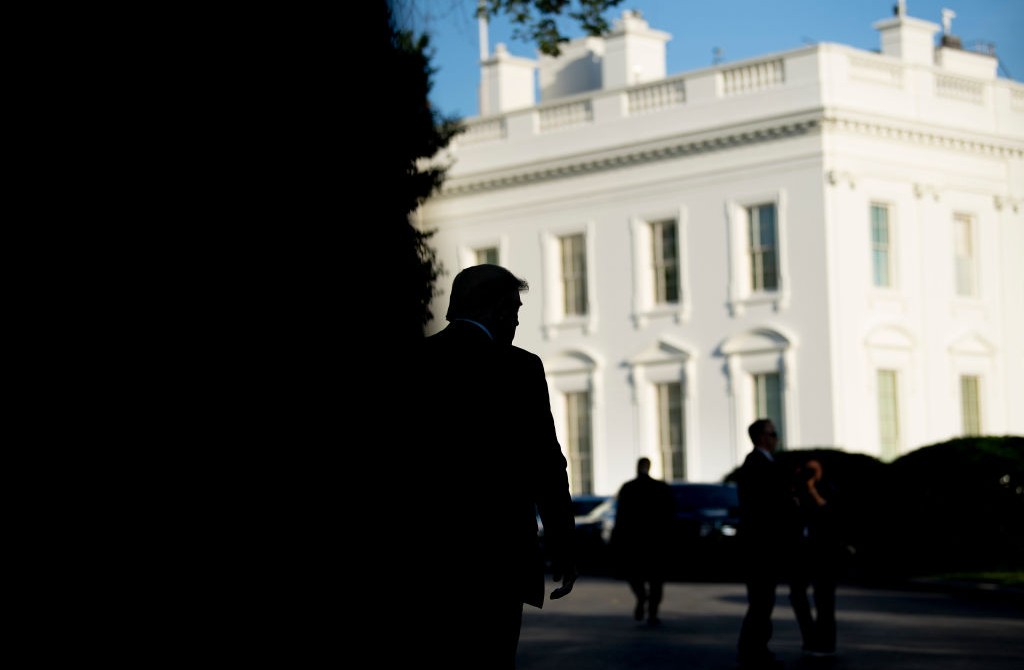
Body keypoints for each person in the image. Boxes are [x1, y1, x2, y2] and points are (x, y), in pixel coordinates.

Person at [408, 264, 578, 670]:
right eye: (515, 311)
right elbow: (546, 466)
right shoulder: (519, 368)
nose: (517, 320)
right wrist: (564, 544)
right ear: (498, 310)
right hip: (497, 556)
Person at [735, 418, 793, 670]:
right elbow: (765, 506)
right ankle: (752, 651)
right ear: (761, 437)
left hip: (763, 543)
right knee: (761, 601)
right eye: (773, 433)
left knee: (762, 601)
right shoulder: (756, 465)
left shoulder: (765, 464)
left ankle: (756, 648)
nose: (776, 438)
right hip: (761, 545)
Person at [610, 456, 676, 626]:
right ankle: (652, 612)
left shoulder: (629, 488)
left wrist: (617, 538)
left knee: (635, 575)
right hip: (655, 541)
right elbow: (670, 516)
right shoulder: (661, 488)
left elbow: (621, 517)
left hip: (635, 541)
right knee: (656, 580)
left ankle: (642, 599)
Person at [787, 458, 843, 657]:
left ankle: (826, 642)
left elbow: (828, 512)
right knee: (797, 594)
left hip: (824, 553)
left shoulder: (828, 488)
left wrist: (812, 489)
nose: (810, 474)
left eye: (814, 470)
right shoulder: (796, 490)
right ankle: (810, 637)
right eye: (807, 470)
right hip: (802, 553)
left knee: (825, 600)